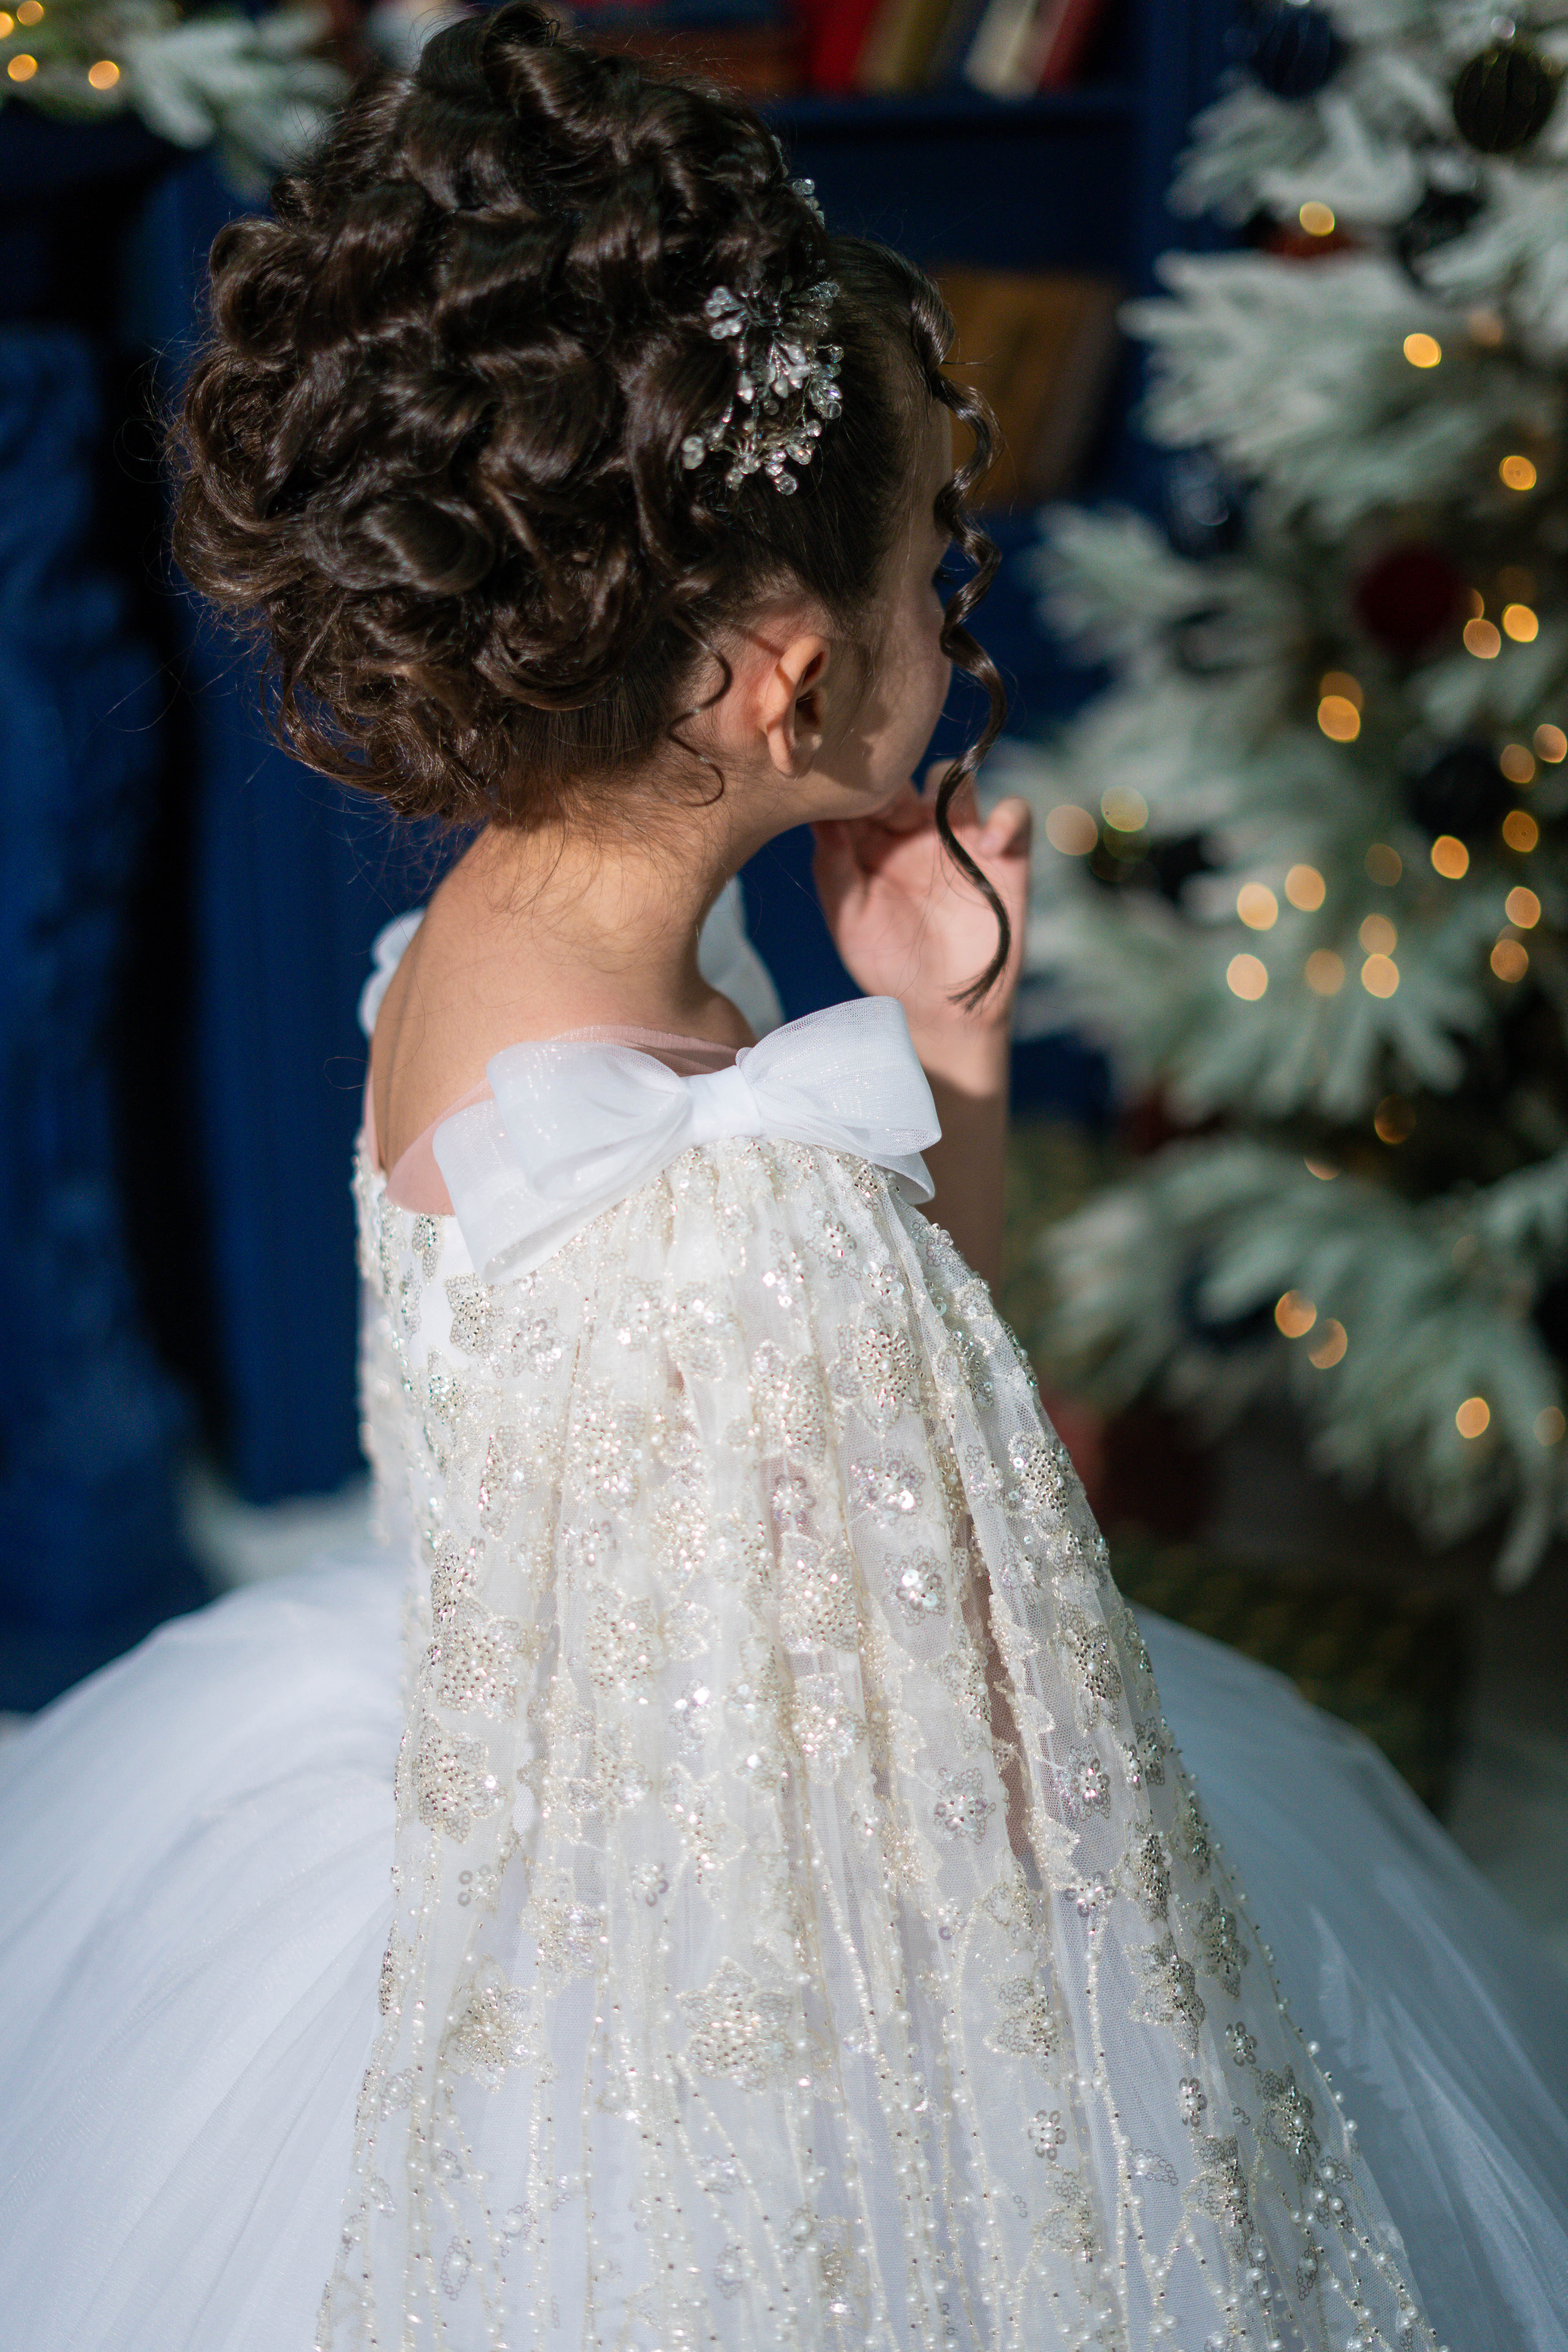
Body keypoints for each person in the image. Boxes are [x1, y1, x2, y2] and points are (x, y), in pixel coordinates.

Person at [1, 9, 1565, 2347]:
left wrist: (940, 1040)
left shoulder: (482, 964)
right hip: (768, 2056)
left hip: (535, 1831)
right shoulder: (737, 1211)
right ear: (786, 684)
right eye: (942, 573)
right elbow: (1026, 1740)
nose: (962, 616)